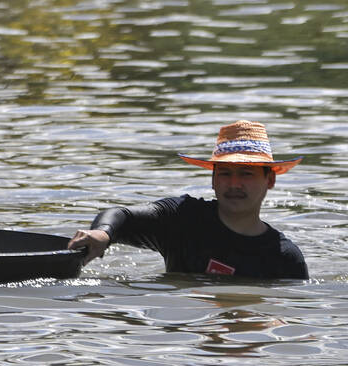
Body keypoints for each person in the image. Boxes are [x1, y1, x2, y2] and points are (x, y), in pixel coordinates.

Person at [67, 120, 309, 279]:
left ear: (270, 181)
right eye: (225, 173)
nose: (234, 184)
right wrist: (103, 234)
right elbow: (123, 216)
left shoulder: (286, 259)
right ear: (213, 180)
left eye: (246, 174)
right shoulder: (183, 219)